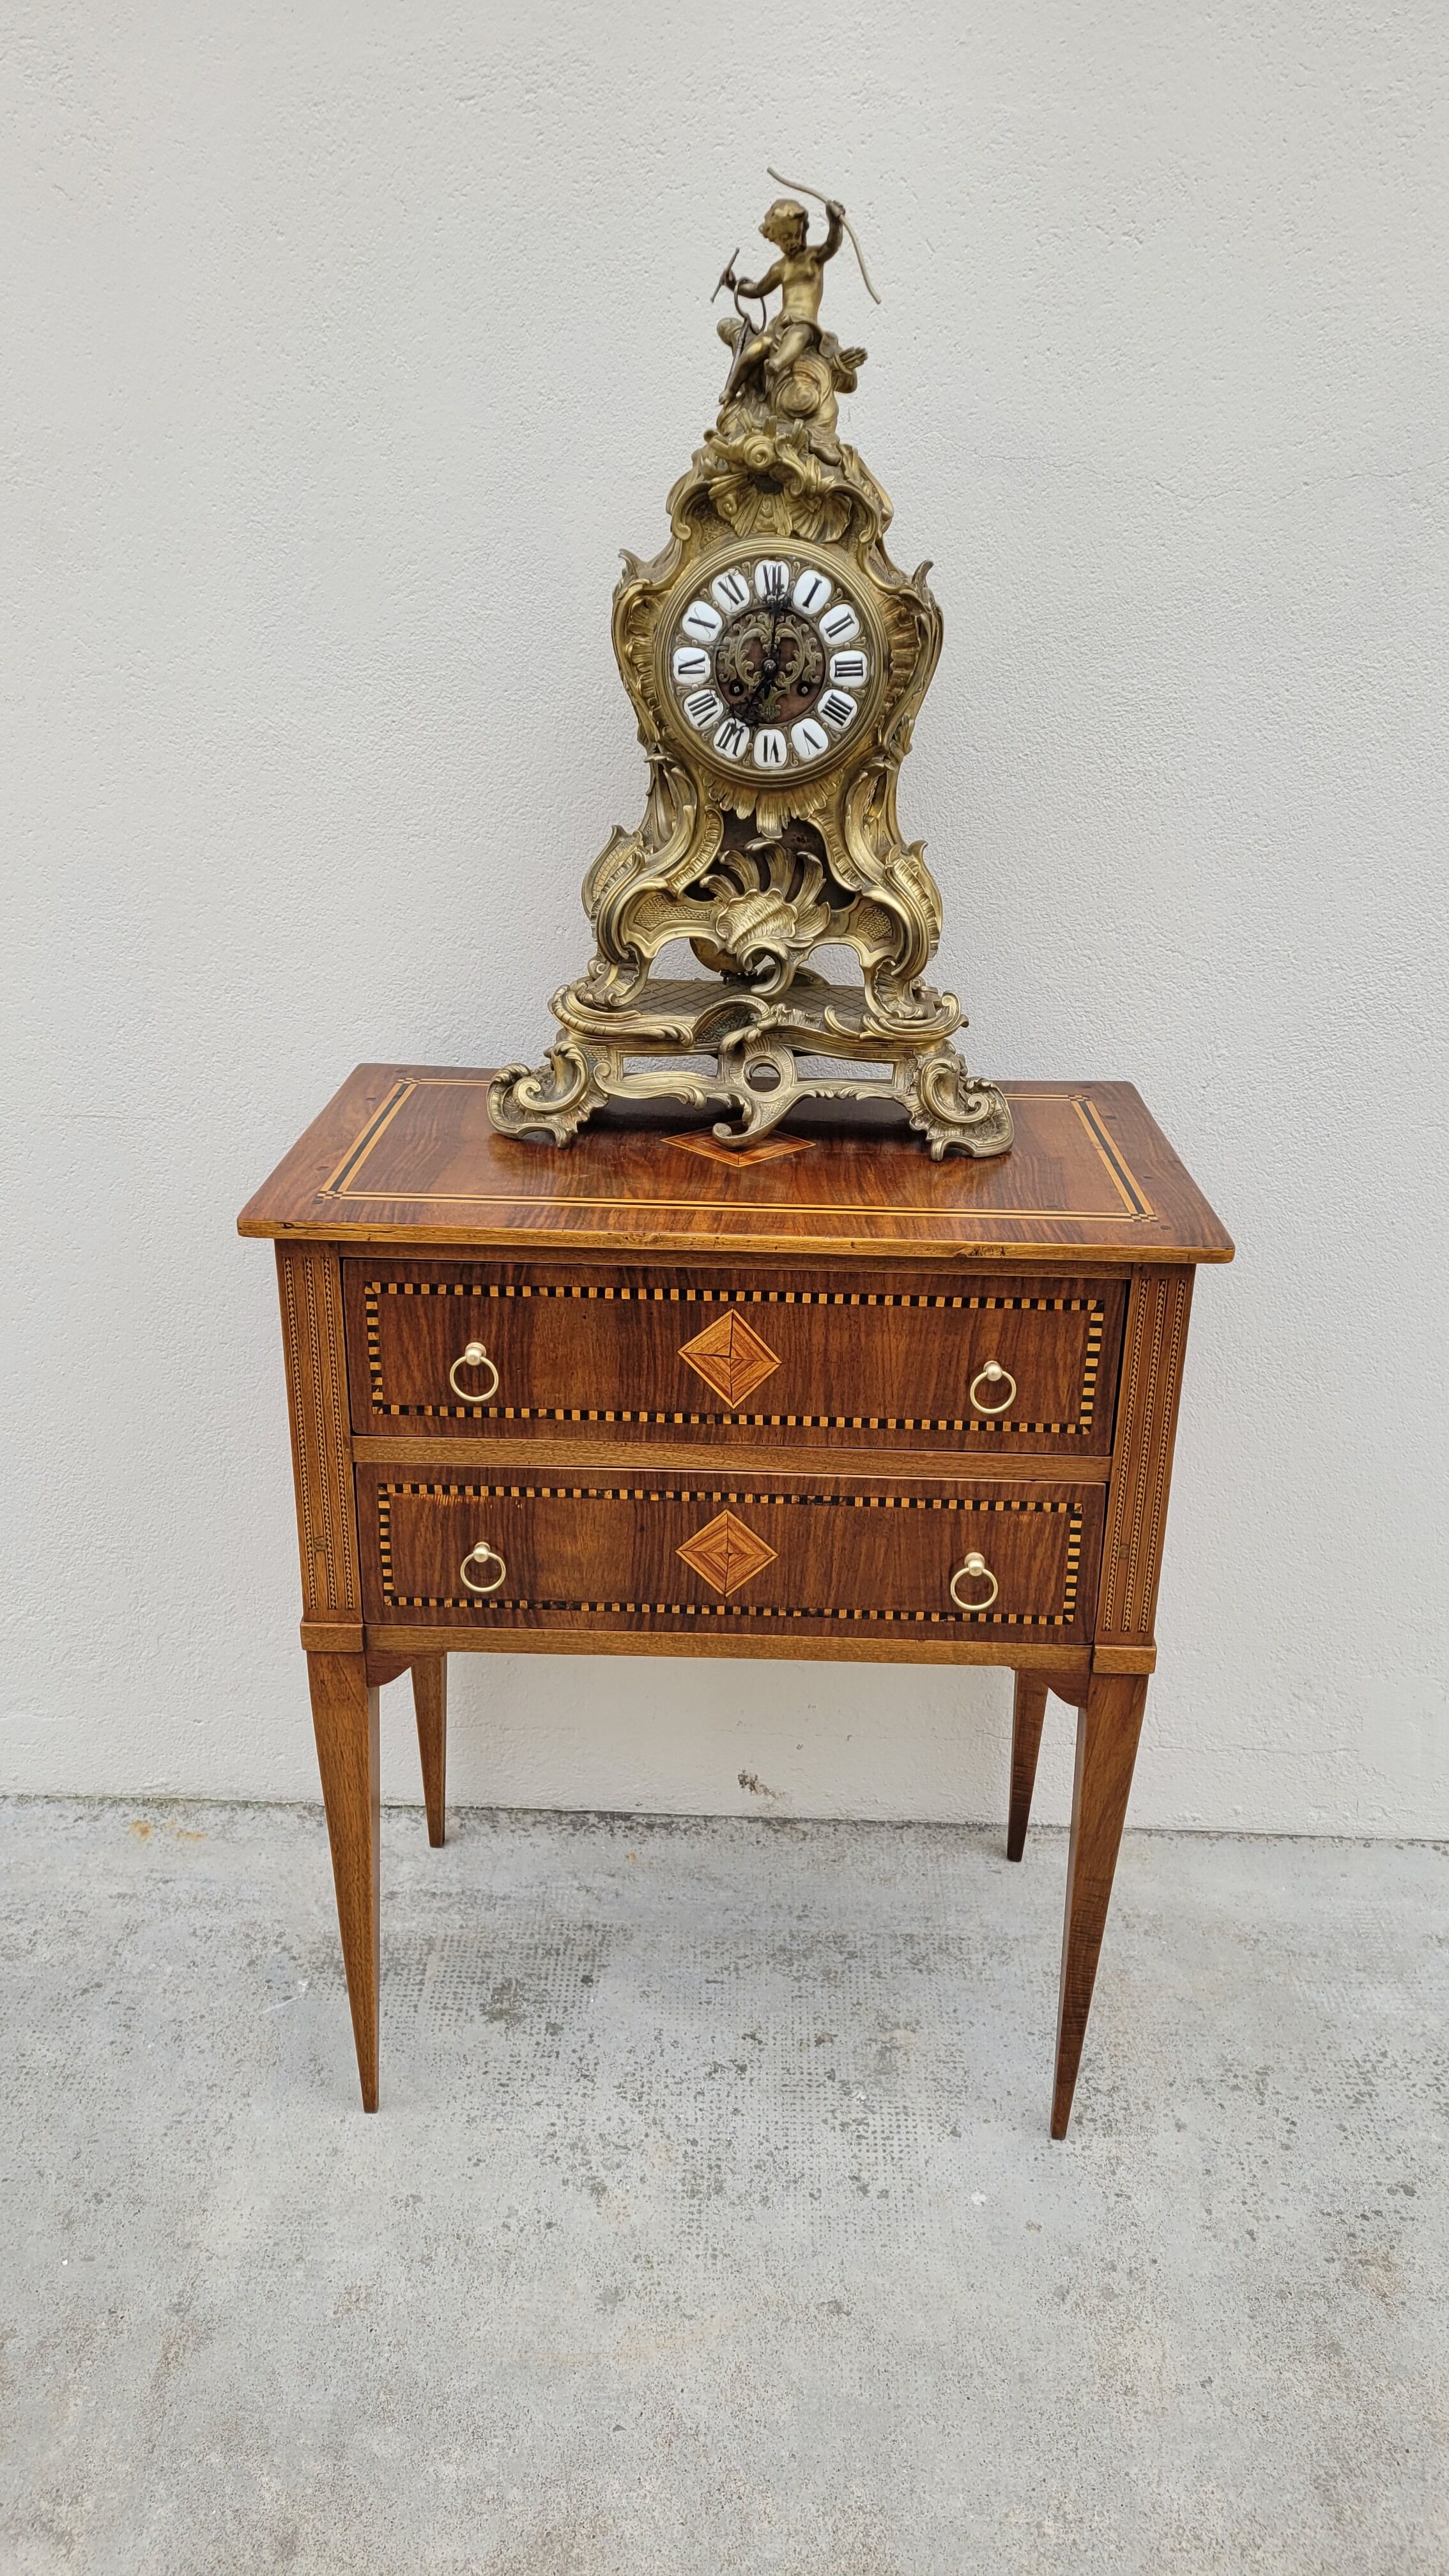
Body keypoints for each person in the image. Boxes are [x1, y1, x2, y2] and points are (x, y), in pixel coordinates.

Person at [719, 195, 846, 408]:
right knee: (755, 347)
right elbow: (758, 289)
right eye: (783, 240)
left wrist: (834, 221)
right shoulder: (780, 268)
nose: (790, 243)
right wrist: (734, 286)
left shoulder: (814, 258)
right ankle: (731, 389)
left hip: (805, 323)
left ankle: (777, 364)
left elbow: (833, 243)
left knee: (799, 336)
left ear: (802, 231)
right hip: (781, 325)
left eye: (793, 236)